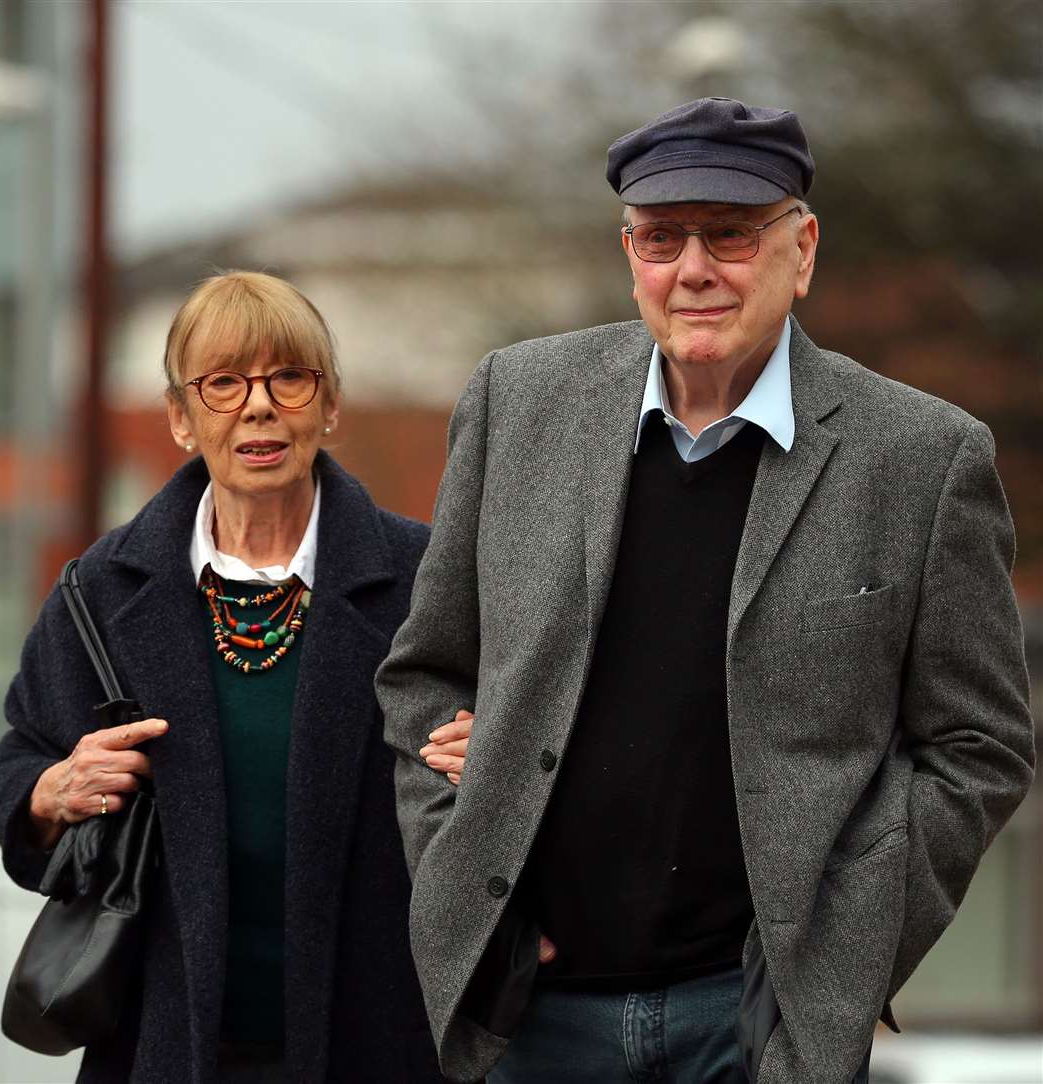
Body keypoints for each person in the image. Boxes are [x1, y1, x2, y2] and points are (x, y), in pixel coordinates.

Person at [377, 98, 1035, 1084]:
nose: (693, 269)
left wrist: (840, 956)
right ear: (629, 252)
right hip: (529, 1023)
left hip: (756, 1032)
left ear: (801, 249)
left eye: (730, 234)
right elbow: (424, 677)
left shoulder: (923, 459)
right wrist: (466, 883)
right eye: (660, 237)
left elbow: (977, 747)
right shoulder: (516, 404)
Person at [0, 271, 462, 1083]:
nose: (259, 406)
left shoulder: (428, 578)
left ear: (329, 405)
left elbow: (524, 747)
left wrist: (494, 753)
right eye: (223, 384)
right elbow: (18, 758)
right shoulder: (102, 590)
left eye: (289, 378)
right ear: (179, 417)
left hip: (384, 1035)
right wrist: (50, 792)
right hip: (162, 1038)